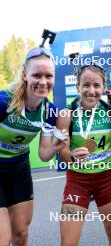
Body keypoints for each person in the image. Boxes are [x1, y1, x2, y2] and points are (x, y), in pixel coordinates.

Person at [0, 47, 67, 246]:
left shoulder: (49, 112)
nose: (43, 82)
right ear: (25, 75)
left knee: (21, 234)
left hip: (19, 171)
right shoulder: (5, 102)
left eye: (49, 76)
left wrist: (58, 145)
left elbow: (44, 154)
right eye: (37, 75)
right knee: (3, 238)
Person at [56, 63, 111, 246]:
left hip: (107, 180)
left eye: (96, 85)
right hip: (78, 182)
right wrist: (72, 158)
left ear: (103, 87)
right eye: (86, 85)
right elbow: (63, 152)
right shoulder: (66, 114)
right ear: (77, 86)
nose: (91, 91)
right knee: (68, 242)